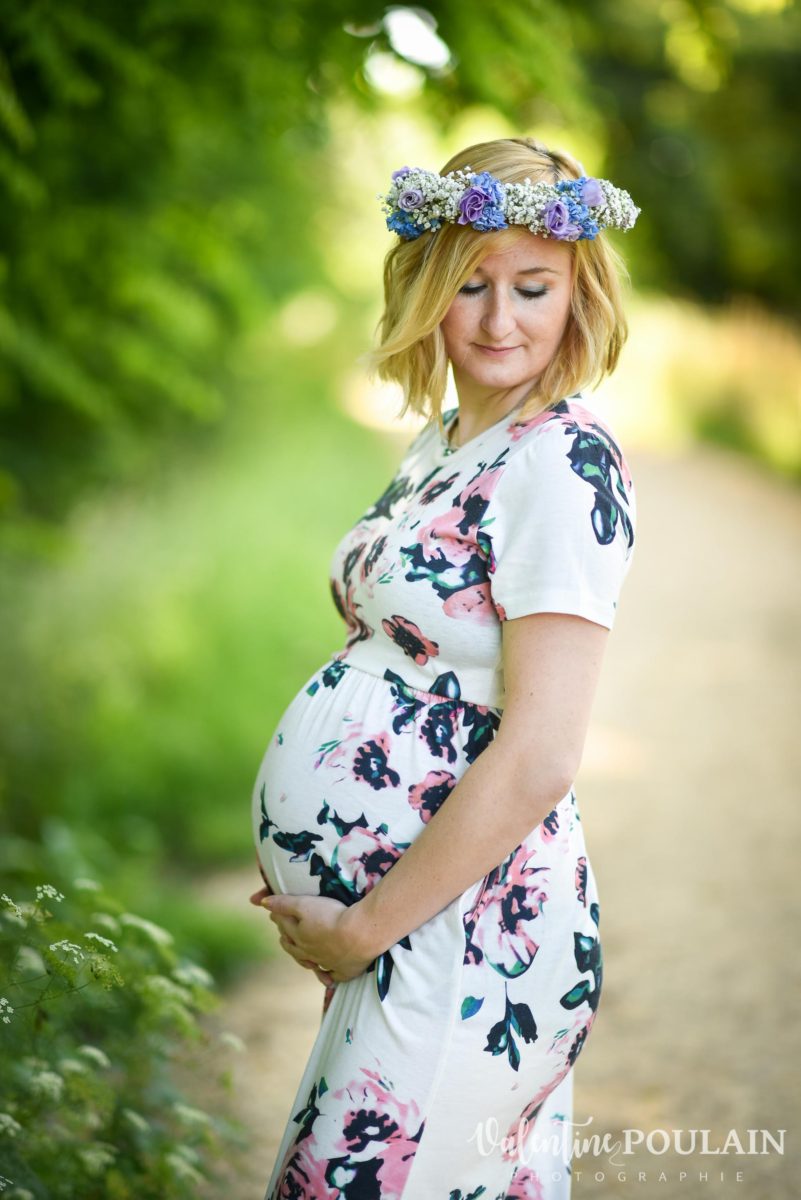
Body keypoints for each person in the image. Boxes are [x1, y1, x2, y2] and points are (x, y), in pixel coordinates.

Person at [248, 136, 639, 1200]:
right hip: (418, 931)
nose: (499, 319)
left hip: (468, 931)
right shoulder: (445, 440)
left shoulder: (562, 460)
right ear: (426, 285)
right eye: (469, 284)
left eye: (532, 287)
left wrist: (363, 925)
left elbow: (545, 753)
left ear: (577, 293)